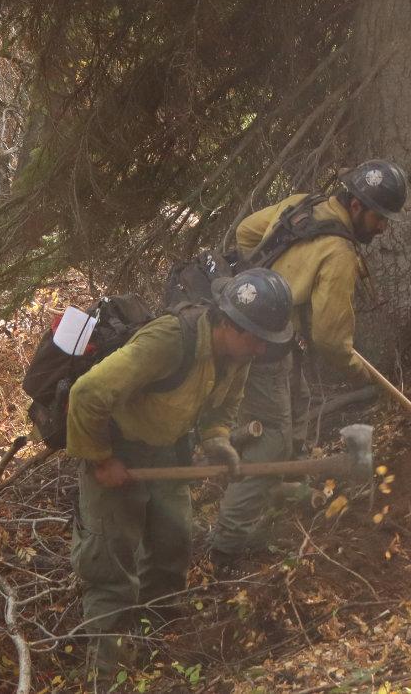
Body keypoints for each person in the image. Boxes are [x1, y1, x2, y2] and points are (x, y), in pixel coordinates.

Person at [67, 268, 294, 678]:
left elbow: (224, 405)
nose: (262, 349)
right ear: (229, 323)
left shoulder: (239, 352)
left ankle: (160, 658)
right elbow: (86, 394)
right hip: (116, 447)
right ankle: (107, 679)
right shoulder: (169, 341)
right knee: (112, 570)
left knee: (172, 549)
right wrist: (102, 460)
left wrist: (217, 439)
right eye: (257, 338)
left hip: (169, 451)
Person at [208, 160, 407, 563]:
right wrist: (358, 370)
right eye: (378, 217)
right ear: (355, 205)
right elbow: (332, 341)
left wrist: (264, 282)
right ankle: (229, 545)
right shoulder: (338, 254)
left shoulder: (303, 205)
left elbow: (247, 231)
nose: (383, 227)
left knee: (295, 412)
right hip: (261, 350)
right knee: (273, 439)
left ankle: (282, 499)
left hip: (246, 330)